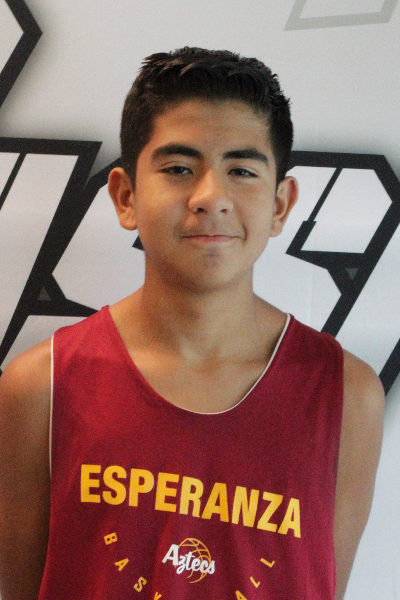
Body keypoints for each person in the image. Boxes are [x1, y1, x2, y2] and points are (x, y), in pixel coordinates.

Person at [0, 47, 384, 600]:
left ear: (280, 205)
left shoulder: (347, 394)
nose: (211, 197)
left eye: (242, 171)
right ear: (126, 196)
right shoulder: (42, 385)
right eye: (179, 168)